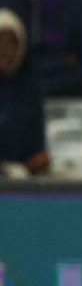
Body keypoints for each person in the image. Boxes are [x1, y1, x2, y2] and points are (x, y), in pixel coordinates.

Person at [0, 10, 47, 175]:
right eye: (0, 41)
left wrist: (37, 163)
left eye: (11, 43)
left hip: (18, 179)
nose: (4, 49)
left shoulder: (29, 91)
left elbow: (37, 153)